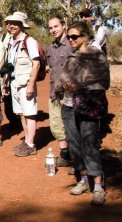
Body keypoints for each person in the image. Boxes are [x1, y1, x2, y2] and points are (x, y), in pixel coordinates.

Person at [56, 21, 111, 206]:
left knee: (89, 145)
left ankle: (98, 186)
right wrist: (63, 86)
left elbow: (104, 82)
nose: (71, 39)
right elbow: (61, 79)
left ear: (85, 36)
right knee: (75, 146)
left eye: (74, 36)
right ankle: (84, 180)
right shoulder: (72, 57)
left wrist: (81, 85)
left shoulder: (97, 57)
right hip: (69, 106)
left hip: (88, 106)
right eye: (69, 36)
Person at [3, 12, 41, 157]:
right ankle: (27, 141)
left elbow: (36, 63)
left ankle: (31, 144)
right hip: (14, 82)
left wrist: (31, 84)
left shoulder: (29, 41)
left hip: (25, 83)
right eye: (8, 23)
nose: (10, 26)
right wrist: (6, 83)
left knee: (30, 114)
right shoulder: (11, 42)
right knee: (22, 114)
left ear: (21, 25)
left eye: (14, 23)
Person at [45, 15, 74, 172]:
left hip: (70, 93)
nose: (53, 30)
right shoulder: (50, 48)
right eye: (50, 28)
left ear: (63, 26)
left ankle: (77, 159)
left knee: (71, 125)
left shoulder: (71, 45)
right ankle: (65, 155)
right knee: (56, 125)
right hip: (54, 92)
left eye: (56, 26)